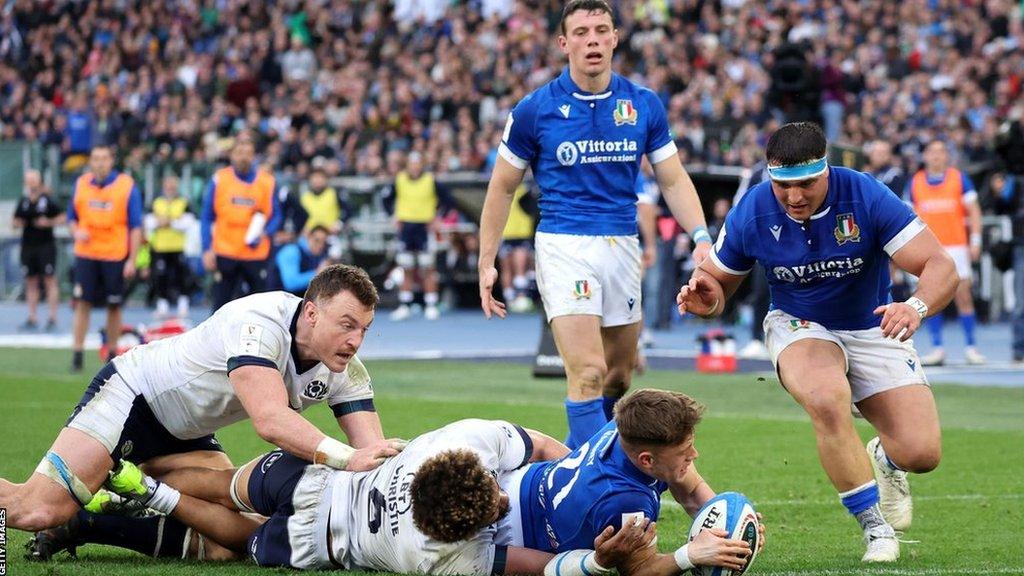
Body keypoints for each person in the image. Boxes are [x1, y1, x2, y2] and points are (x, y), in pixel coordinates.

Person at [676, 122, 957, 562]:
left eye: (806, 183)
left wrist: (915, 306)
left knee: (921, 453)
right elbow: (717, 283)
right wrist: (705, 299)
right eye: (783, 185)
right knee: (827, 397)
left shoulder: (866, 194)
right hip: (798, 323)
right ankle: (876, 529)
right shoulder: (753, 209)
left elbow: (941, 265)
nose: (794, 197)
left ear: (826, 171)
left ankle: (885, 458)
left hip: (872, 324)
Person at [2, 264, 403, 535]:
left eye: (364, 330)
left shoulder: (346, 369)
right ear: (312, 313)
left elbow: (372, 453)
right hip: (134, 399)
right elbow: (270, 421)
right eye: (347, 325)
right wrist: (346, 460)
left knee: (237, 526)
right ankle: (98, 495)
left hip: (188, 433)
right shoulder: (260, 323)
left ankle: (117, 499)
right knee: (38, 511)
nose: (355, 341)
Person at [477, 0, 711, 450]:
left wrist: (701, 237)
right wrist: (487, 260)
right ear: (564, 43)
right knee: (587, 372)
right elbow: (502, 187)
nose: (593, 40)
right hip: (564, 244)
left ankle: (569, 461)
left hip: (620, 245)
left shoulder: (642, 104)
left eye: (601, 30)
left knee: (618, 377)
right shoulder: (535, 109)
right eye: (581, 32)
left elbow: (673, 178)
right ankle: (596, 490)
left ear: (615, 38)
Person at [40, 419, 643, 576]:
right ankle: (145, 491)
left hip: (315, 478)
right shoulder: (443, 556)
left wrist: (574, 467)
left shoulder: (462, 442)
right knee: (232, 543)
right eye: (494, 502)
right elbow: (536, 566)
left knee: (229, 484)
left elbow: (535, 442)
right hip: (318, 537)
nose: (501, 500)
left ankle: (127, 475)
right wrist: (597, 562)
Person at [504, 389, 758, 574]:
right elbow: (639, 570)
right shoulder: (624, 500)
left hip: (520, 480)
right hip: (510, 533)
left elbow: (691, 491)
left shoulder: (627, 427)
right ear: (647, 461)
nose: (694, 455)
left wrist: (730, 528)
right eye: (685, 451)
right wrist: (689, 555)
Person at [906, 140, 985, 365]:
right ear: (926, 156)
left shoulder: (959, 179)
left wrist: (976, 240)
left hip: (956, 246)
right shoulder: (915, 182)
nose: (936, 156)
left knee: (963, 295)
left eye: (941, 152)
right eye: (932, 152)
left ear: (947, 156)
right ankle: (937, 347)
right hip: (928, 249)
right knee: (930, 297)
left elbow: (975, 210)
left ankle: (971, 347)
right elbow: (905, 217)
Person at [67, 145, 144, 372]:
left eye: (104, 158)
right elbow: (71, 217)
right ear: (90, 161)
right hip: (87, 254)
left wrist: (132, 259)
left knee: (114, 305)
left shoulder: (126, 186)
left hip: (114, 255)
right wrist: (75, 231)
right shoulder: (81, 184)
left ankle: (111, 353)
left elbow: (136, 226)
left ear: (112, 161)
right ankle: (77, 354)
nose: (99, 163)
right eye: (95, 158)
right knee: (83, 303)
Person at [202, 138, 281, 312]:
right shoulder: (219, 179)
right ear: (231, 155)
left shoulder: (267, 182)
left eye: (248, 153)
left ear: (254, 156)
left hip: (256, 253)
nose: (243, 157)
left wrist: (265, 233)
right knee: (220, 307)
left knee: (258, 308)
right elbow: (207, 216)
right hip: (226, 252)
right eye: (239, 153)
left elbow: (276, 217)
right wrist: (206, 249)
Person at [385, 152, 454, 321]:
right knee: (406, 267)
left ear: (422, 164)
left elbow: (448, 201)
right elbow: (386, 199)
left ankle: (431, 304)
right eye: (411, 163)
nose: (415, 166)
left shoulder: (431, 180)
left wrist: (438, 218)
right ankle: (405, 305)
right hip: (406, 228)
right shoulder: (399, 180)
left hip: (424, 228)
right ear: (407, 164)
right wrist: (393, 216)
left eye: (417, 163)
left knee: (428, 267)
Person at [13, 169, 65, 331]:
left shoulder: (47, 200)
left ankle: (52, 317)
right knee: (31, 281)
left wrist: (48, 222)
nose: (31, 183)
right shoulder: (23, 201)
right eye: (29, 180)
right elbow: (15, 220)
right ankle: (32, 317)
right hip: (28, 246)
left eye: (34, 180)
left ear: (39, 181)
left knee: (49, 280)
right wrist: (17, 223)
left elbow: (63, 216)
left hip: (45, 246)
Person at [146, 174, 195, 319]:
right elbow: (148, 221)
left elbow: (188, 222)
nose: (170, 188)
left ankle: (183, 304)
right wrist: (161, 222)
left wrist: (170, 223)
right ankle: (162, 305)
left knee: (181, 276)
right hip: (160, 247)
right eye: (168, 185)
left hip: (178, 246)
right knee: (161, 277)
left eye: (173, 185)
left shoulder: (184, 202)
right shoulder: (156, 202)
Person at [499, 184, 537, 313]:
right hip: (507, 232)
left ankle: (520, 297)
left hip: (521, 233)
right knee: (508, 268)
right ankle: (510, 299)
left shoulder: (525, 189)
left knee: (520, 266)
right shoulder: (504, 189)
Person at [275, 225, 330, 296]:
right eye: (317, 240)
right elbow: (291, 283)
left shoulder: (318, 256)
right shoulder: (292, 250)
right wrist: (317, 273)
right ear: (308, 237)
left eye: (324, 243)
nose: (320, 246)